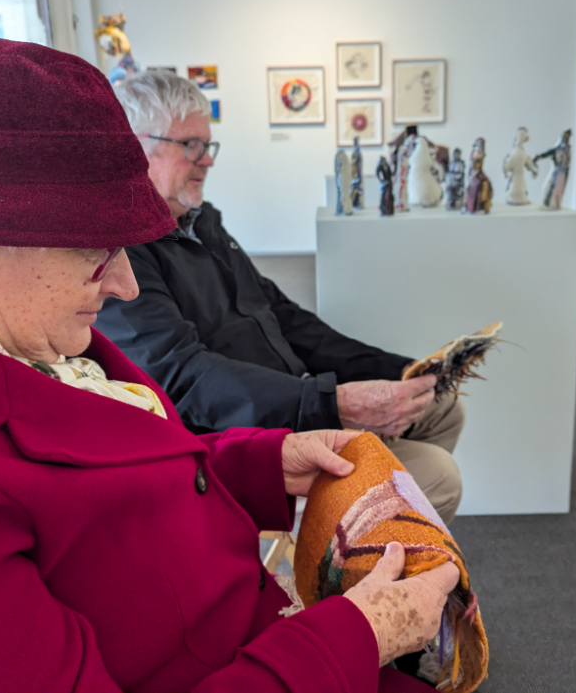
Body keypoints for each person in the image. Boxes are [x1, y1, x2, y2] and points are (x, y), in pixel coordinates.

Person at [0, 39, 458, 692]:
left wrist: (255, 461)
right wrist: (351, 637)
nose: (126, 284)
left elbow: (109, 480)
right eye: (94, 249)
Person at [96, 72, 466, 523]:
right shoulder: (121, 250)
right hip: (238, 443)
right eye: (190, 145)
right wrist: (330, 403)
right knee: (438, 476)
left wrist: (398, 369)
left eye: (208, 145)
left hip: (288, 405)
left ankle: (375, 534)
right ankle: (351, 550)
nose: (206, 160)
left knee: (442, 407)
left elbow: (282, 316)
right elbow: (184, 378)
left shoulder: (201, 223)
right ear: (135, 146)